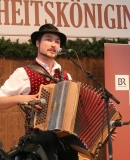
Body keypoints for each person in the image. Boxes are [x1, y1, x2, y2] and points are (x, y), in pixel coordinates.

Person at [0, 24, 117, 159]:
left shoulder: (66, 77)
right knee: (48, 137)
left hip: (64, 143)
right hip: (39, 142)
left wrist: (102, 131)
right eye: (48, 39)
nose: (54, 44)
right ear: (37, 43)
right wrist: (20, 99)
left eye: (57, 41)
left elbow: (79, 113)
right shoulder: (24, 73)